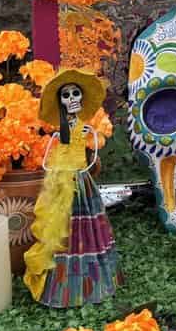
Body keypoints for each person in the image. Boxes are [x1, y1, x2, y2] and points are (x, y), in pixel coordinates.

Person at [24, 68, 119, 308]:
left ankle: (91, 280)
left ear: (82, 97)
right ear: (60, 102)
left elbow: (94, 153)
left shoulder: (87, 131)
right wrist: (55, 173)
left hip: (81, 183)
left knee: (87, 228)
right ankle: (62, 285)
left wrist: (82, 169)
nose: (72, 99)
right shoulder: (59, 134)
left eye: (76, 93)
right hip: (63, 182)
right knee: (60, 228)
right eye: (66, 95)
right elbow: (47, 159)